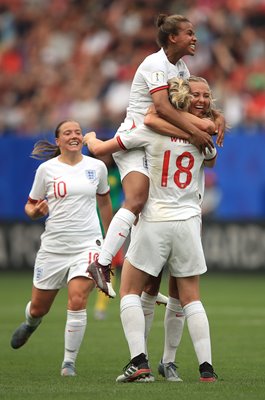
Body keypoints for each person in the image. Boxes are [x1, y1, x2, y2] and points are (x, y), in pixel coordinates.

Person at [83, 75, 219, 383]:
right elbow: (210, 160)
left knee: (130, 290)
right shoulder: (203, 137)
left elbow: (103, 149)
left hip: (155, 219)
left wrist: (90, 139)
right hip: (188, 221)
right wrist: (203, 125)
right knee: (190, 298)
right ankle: (206, 369)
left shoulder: (148, 131)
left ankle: (139, 362)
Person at [86, 13, 225, 299]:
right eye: (189, 33)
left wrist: (215, 114)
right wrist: (195, 133)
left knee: (152, 210)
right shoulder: (155, 64)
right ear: (173, 37)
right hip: (136, 139)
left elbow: (185, 108)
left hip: (156, 140)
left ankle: (148, 282)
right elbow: (160, 108)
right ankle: (101, 262)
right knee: (137, 199)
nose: (195, 38)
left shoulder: (183, 69)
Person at [10, 120, 113, 377]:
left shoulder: (97, 167)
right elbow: (30, 205)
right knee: (38, 307)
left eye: (78, 132)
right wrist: (35, 212)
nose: (74, 135)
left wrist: (111, 240)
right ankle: (31, 323)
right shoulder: (46, 170)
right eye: (68, 133)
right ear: (58, 141)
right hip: (54, 248)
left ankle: (68, 363)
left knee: (78, 298)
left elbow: (104, 204)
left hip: (87, 244)